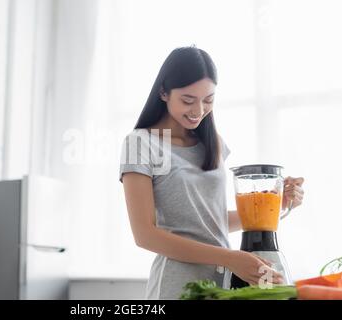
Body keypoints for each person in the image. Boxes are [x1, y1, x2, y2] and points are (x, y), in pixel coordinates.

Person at [118, 46, 305, 299]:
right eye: (187, 100)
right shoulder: (142, 143)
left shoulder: (212, 142)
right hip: (177, 285)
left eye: (208, 100)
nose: (198, 111)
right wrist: (230, 258)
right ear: (163, 92)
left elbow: (212, 221)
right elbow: (145, 235)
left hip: (223, 284)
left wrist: (278, 204)